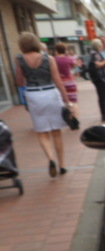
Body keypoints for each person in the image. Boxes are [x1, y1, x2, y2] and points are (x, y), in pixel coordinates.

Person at [15, 32, 75, 177]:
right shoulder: (49, 59)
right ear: (36, 43)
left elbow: (19, 82)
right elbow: (58, 81)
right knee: (56, 132)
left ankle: (51, 158)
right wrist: (67, 101)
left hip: (33, 95)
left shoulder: (19, 59)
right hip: (50, 93)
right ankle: (62, 165)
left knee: (42, 133)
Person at [54, 42, 78, 108]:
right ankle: (75, 116)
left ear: (56, 50)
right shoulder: (69, 59)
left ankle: (65, 117)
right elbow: (75, 65)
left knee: (61, 102)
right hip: (70, 82)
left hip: (59, 83)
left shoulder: (53, 60)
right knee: (73, 102)